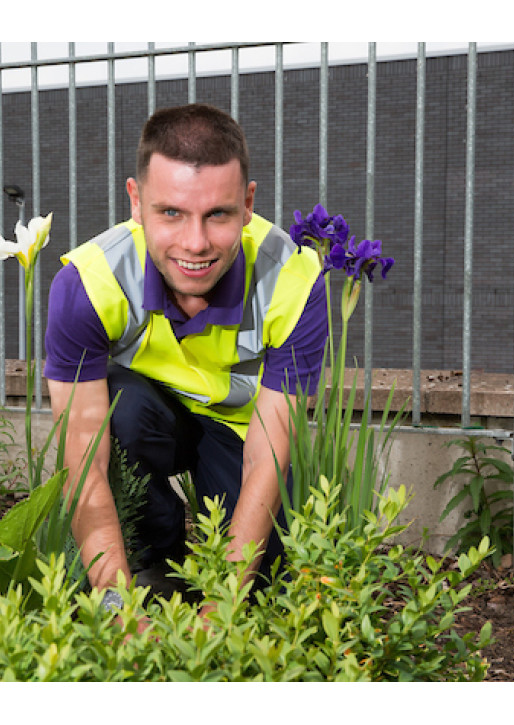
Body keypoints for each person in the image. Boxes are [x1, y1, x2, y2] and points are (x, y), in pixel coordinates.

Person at [44, 103, 327, 609]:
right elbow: (83, 460)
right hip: (154, 419)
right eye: (171, 212)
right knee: (120, 409)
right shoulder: (87, 284)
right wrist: (114, 608)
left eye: (218, 213)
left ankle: (209, 578)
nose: (195, 244)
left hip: (241, 435)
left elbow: (270, 451)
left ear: (247, 202)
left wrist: (222, 608)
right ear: (136, 201)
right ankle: (158, 550)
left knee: (269, 582)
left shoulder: (295, 279)